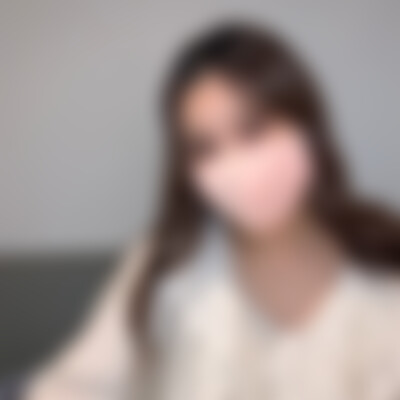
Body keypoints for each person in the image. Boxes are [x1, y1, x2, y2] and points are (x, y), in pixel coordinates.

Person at [25, 22, 400, 400]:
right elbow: (73, 386)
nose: (237, 167)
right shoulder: (165, 263)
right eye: (206, 149)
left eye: (253, 130)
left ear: (305, 123)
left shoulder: (384, 266)